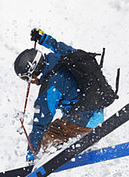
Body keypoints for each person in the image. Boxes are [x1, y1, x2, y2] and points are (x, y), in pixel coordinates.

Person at [14, 28, 117, 163]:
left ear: (33, 73)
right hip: (95, 109)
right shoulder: (59, 58)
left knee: (46, 136)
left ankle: (44, 160)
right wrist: (43, 38)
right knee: (58, 126)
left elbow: (40, 124)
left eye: (27, 79)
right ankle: (77, 142)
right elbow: (60, 46)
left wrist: (31, 153)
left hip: (84, 120)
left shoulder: (50, 89)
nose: (30, 83)